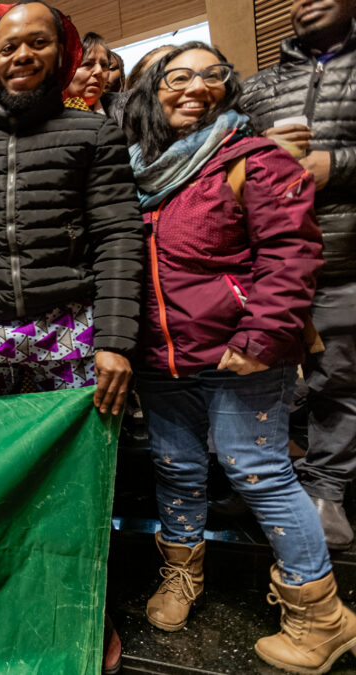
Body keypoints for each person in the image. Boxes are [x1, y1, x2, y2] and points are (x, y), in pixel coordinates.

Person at [123, 40, 350, 673]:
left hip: (239, 355)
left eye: (212, 74)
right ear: (150, 92)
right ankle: (180, 577)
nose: (195, 86)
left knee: (259, 473)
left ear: (230, 87)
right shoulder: (136, 172)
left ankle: (320, 617)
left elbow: (292, 256)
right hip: (161, 360)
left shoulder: (255, 159)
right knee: (176, 470)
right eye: (177, 76)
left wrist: (259, 339)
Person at [0, 1, 142, 411]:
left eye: (39, 42)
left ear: (62, 56)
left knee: (69, 463)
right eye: (7, 48)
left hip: (69, 332)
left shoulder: (94, 134)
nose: (23, 54)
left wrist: (115, 340)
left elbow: (118, 238)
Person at [241, 0, 356, 552]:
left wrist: (336, 164)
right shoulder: (261, 86)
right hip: (269, 265)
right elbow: (227, 160)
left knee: (336, 381)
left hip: (343, 257)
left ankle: (326, 490)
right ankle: (267, 482)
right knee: (263, 383)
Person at [63, 31, 111, 112]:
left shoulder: (121, 112)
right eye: (87, 64)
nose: (99, 71)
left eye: (104, 65)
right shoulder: (41, 118)